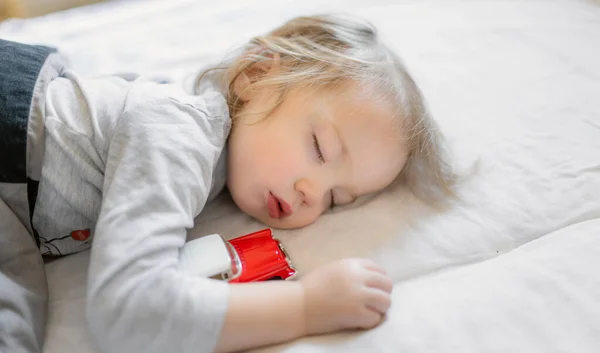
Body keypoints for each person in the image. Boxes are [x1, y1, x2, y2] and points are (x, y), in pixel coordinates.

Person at [0, 14, 454, 353]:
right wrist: (304, 307)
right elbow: (130, 310)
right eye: (319, 148)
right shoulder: (179, 132)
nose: (312, 194)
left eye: (337, 198)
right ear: (255, 75)